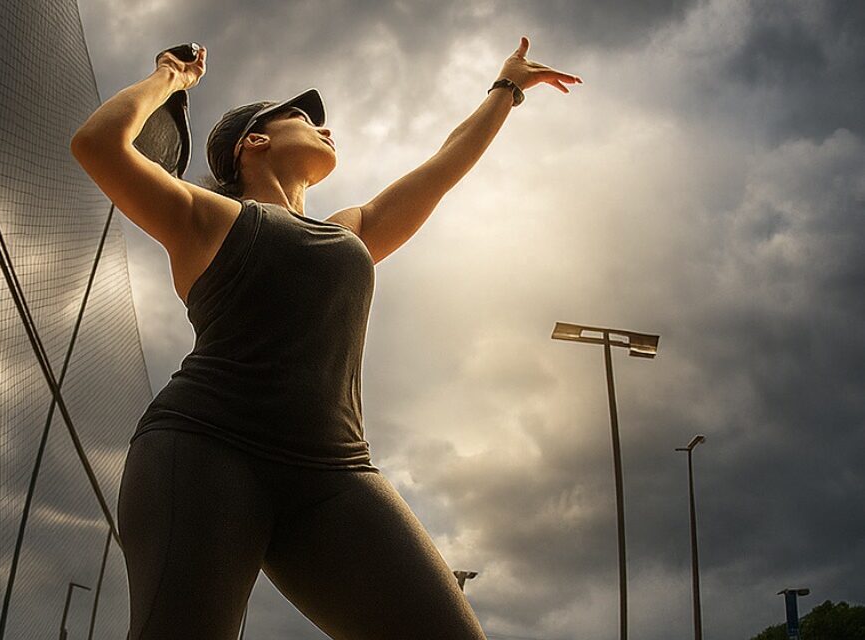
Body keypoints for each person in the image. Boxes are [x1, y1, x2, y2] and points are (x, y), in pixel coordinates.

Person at [71, 36, 579, 640]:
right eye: (302, 118)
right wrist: (171, 78)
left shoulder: (350, 232)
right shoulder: (207, 217)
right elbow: (97, 144)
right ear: (254, 142)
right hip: (204, 452)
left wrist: (507, 87)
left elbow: (444, 166)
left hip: (334, 472)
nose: (324, 127)